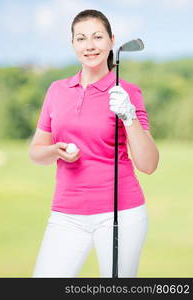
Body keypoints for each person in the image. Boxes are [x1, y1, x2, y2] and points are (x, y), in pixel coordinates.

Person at [29, 9, 159, 278]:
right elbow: (36, 152)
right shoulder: (56, 90)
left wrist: (129, 116)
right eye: (81, 38)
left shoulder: (128, 91)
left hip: (120, 214)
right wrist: (55, 151)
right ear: (73, 44)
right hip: (66, 213)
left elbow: (148, 164)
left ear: (112, 41)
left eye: (98, 37)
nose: (89, 46)